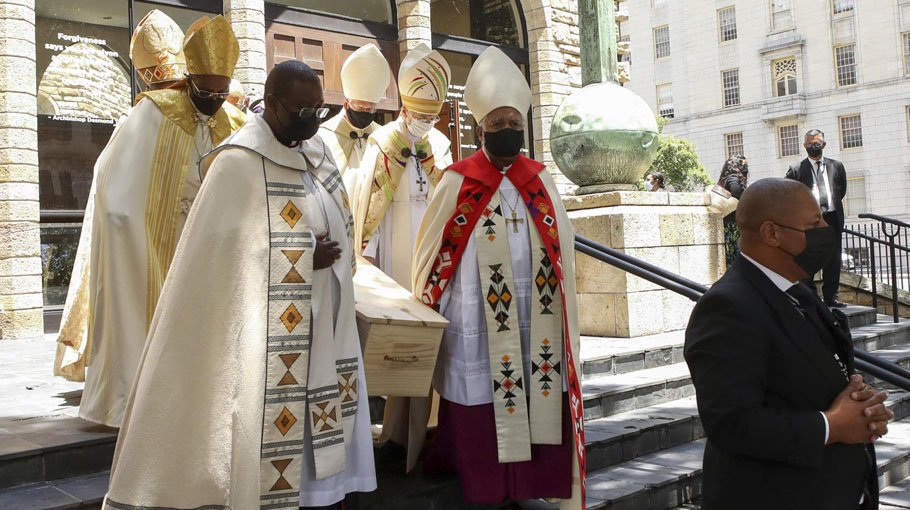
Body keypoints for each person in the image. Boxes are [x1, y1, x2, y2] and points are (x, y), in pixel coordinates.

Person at [101, 60, 376, 510]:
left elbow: (340, 219)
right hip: (268, 339)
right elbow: (225, 260)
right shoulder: (237, 163)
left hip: (325, 320)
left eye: (317, 109)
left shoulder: (317, 154)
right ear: (271, 103)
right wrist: (305, 257)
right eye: (302, 109)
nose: (312, 119)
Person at [413, 47, 584, 509]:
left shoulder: (541, 181)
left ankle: (530, 484)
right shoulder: (458, 181)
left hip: (535, 315)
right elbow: (434, 253)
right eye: (497, 124)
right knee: (478, 389)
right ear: (479, 128)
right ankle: (488, 485)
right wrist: (430, 305)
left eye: (514, 123)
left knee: (537, 386)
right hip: (475, 316)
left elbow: (562, 251)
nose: (507, 130)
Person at [78, 15, 246, 428]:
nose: (213, 99)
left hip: (212, 245)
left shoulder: (235, 122)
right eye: (205, 89)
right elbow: (116, 190)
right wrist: (143, 237)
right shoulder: (152, 114)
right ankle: (136, 401)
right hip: (159, 241)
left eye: (221, 91)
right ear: (188, 78)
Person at [684, 178, 891, 510]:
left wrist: (861, 408)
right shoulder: (726, 307)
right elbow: (731, 422)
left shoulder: (798, 290)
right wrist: (833, 425)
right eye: (814, 224)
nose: (827, 229)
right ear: (772, 233)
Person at [52, 9, 190, 382]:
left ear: (145, 74)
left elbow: (109, 192)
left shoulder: (139, 118)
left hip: (139, 244)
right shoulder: (207, 116)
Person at [343, 42, 452, 470]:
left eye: (432, 116)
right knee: (407, 349)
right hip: (397, 258)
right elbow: (368, 210)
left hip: (435, 259)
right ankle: (396, 434)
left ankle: (433, 429)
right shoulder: (383, 143)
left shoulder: (440, 142)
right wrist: (374, 267)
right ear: (405, 108)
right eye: (420, 116)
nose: (426, 124)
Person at [786, 129, 848, 307]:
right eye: (811, 143)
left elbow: (840, 191)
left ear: (824, 144)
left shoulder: (837, 166)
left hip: (832, 218)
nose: (815, 145)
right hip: (809, 222)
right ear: (805, 145)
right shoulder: (796, 169)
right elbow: (788, 194)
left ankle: (831, 296)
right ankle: (809, 295)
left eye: (818, 142)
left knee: (833, 258)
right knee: (809, 257)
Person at [318, 43, 391, 175]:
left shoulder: (382, 136)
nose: (364, 112)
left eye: (369, 109)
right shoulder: (325, 136)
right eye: (360, 107)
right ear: (346, 104)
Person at [717, 155, 749, 267]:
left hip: (729, 224)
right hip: (731, 226)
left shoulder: (724, 179)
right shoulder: (733, 178)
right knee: (734, 258)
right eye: (744, 165)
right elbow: (737, 194)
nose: (746, 168)